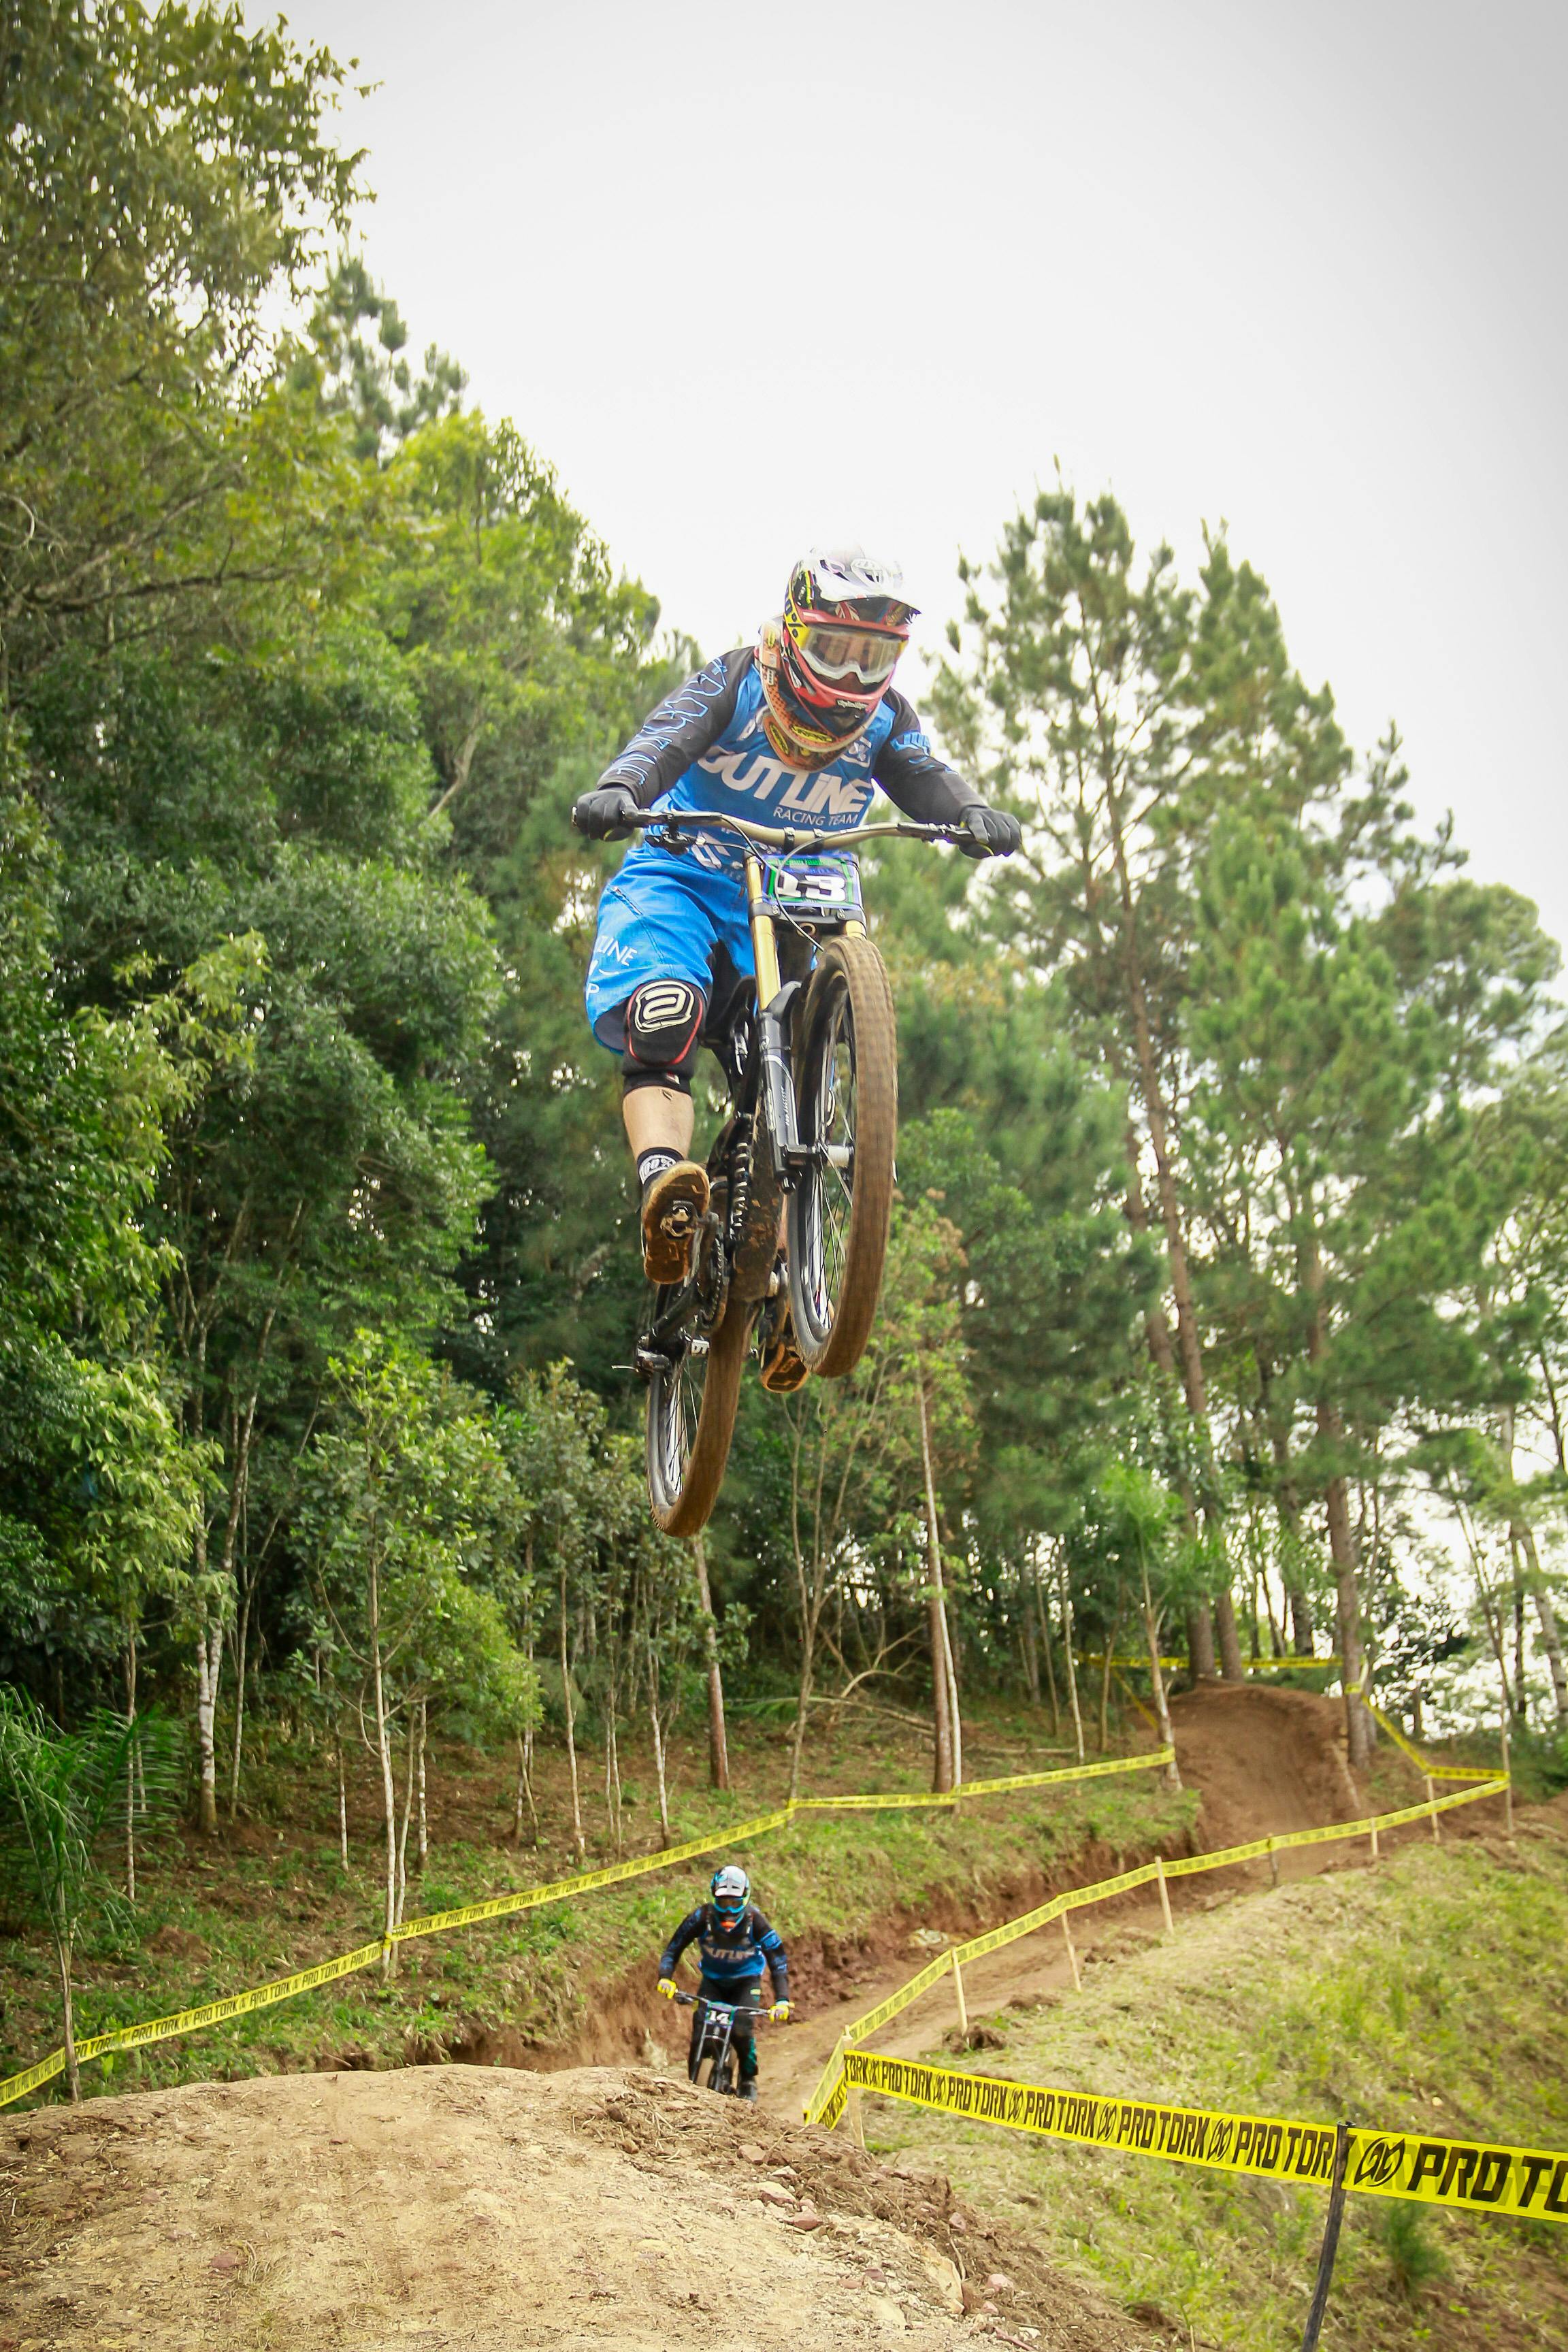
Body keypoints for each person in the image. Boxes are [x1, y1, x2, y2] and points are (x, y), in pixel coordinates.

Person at [572, 547, 1020, 1386]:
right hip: (685, 877)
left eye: (875, 658)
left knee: (795, 1080)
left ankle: (784, 1283)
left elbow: (926, 776)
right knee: (666, 1012)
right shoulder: (739, 681)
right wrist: (620, 785)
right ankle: (665, 1188)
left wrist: (971, 813)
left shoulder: (885, 723)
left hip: (792, 899)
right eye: (839, 650)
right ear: (794, 631)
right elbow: (665, 740)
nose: (855, 676)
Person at [656, 1863, 790, 2102]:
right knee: (699, 2026)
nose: (729, 1909)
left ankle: (748, 2077)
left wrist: (782, 2000)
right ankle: (693, 2083)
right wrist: (665, 1978)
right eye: (724, 1901)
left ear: (745, 1898)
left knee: (741, 2028)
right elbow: (673, 1948)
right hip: (713, 1982)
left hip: (746, 1982)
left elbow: (778, 1961)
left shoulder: (755, 1920)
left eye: (735, 1902)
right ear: (714, 1896)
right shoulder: (702, 1917)